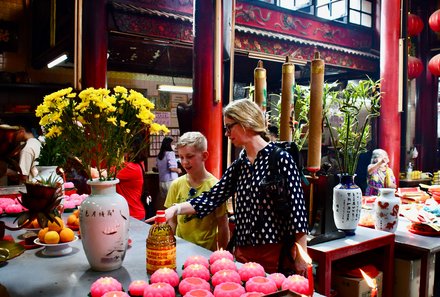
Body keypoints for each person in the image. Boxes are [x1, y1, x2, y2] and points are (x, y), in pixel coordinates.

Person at [151, 99, 309, 275]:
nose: (226, 133)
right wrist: (176, 208)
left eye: (229, 127)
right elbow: (212, 197)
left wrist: (301, 254)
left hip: (274, 251)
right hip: (242, 250)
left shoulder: (280, 159)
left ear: (245, 123)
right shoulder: (239, 165)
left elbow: (298, 211)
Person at [164, 131, 230, 251]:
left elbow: (223, 225)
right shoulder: (176, 185)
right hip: (180, 248)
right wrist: (168, 248)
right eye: (181, 157)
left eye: (189, 156)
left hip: (206, 251)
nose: (184, 162)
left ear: (204, 156)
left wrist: (222, 253)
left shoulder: (215, 186)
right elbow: (172, 222)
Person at [116, 136, 147, 220]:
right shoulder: (140, 164)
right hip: (135, 213)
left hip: (132, 215)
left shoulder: (130, 168)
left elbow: (99, 175)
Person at [156, 136, 181, 202]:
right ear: (169, 144)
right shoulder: (170, 153)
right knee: (174, 202)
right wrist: (178, 170)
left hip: (161, 182)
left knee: (165, 202)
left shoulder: (159, 155)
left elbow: (157, 167)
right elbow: (172, 168)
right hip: (171, 181)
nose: (174, 146)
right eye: (172, 144)